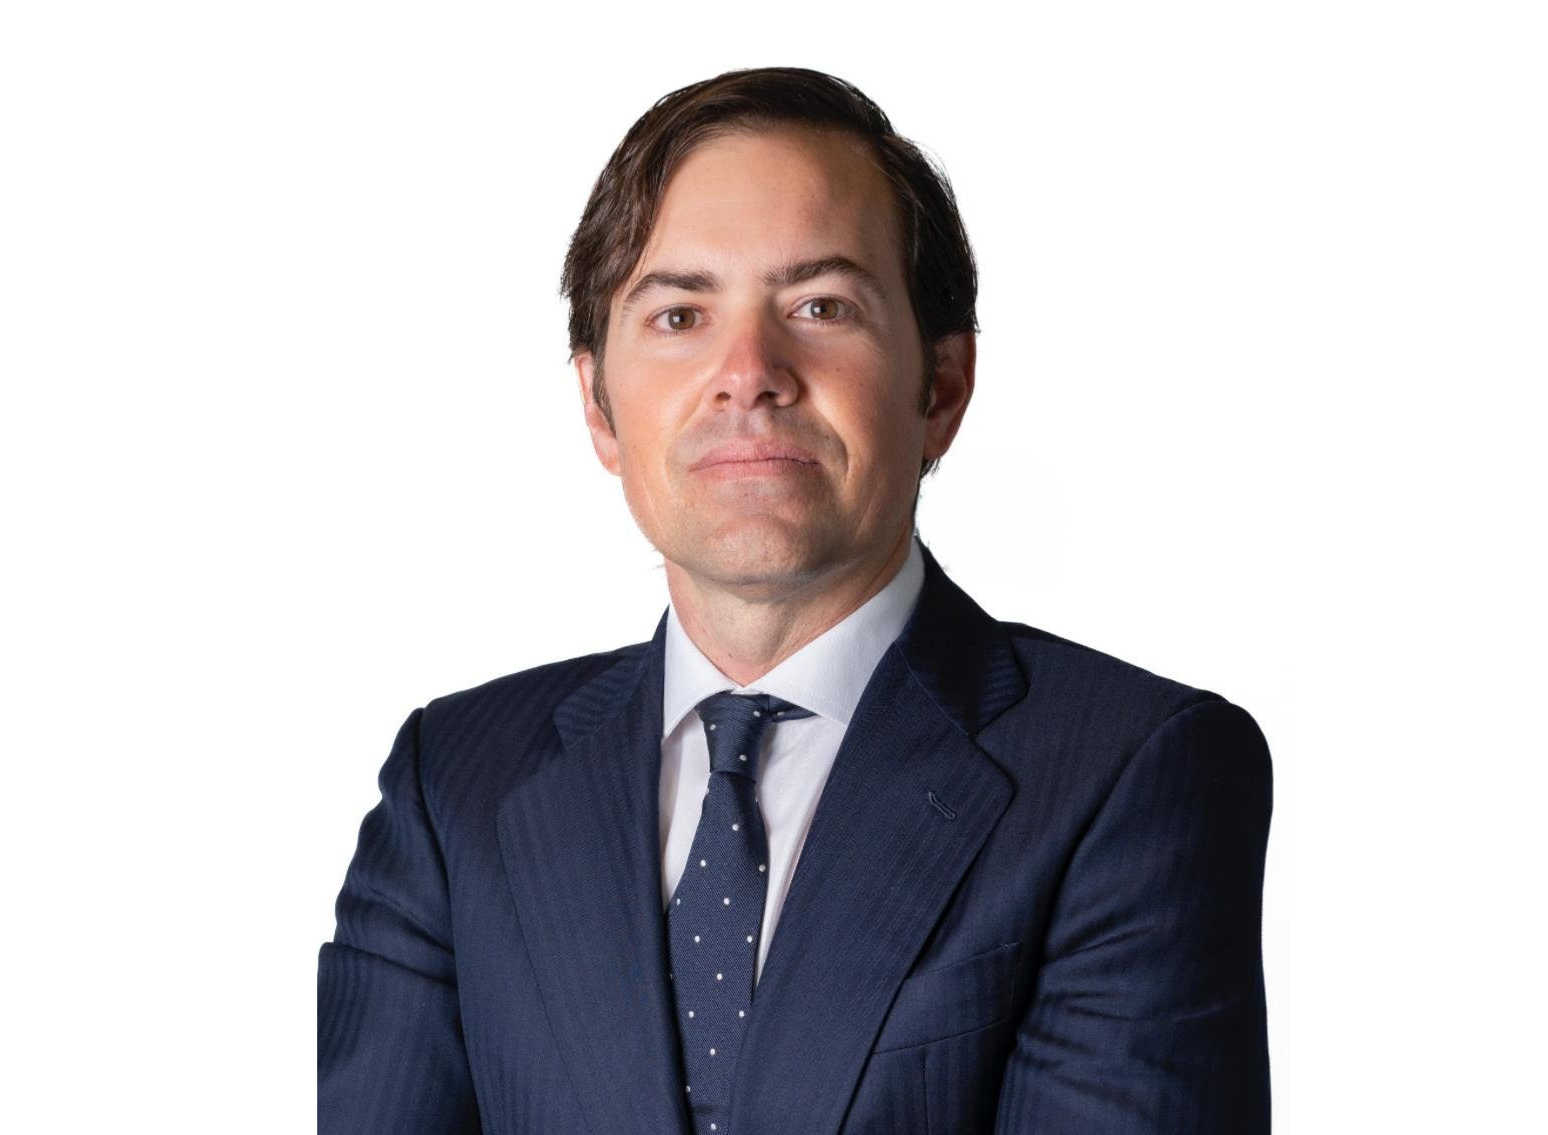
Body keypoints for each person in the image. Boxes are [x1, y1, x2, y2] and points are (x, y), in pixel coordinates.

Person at [317, 66, 1273, 1135]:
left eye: (821, 306)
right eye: (680, 314)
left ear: (941, 388)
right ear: (599, 406)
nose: (749, 372)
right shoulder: (453, 786)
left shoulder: (1132, 773)